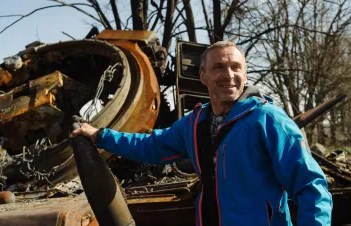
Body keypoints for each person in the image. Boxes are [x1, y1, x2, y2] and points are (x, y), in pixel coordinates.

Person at [71, 41, 333, 226]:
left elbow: (312, 187)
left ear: (245, 73)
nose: (229, 75)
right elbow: (150, 146)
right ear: (203, 76)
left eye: (236, 67)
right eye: (219, 67)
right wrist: (100, 136)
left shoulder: (269, 120)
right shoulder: (194, 123)